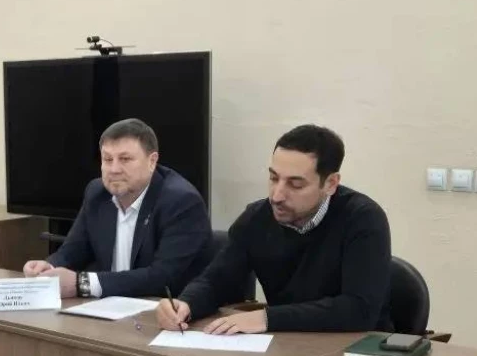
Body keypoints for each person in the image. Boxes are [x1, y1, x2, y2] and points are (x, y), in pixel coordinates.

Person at [156, 124, 392, 335]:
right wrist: (186, 304)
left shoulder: (363, 219)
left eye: (295, 184)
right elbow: (217, 280)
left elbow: (358, 309)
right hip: (284, 348)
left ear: (330, 184)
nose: (277, 196)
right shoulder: (256, 218)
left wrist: (267, 318)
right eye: (273, 178)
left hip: (354, 352)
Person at [23, 118, 213, 299]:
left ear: (152, 161)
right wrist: (48, 267)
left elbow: (162, 278)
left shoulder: (182, 202)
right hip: (110, 308)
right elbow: (74, 250)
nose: (114, 169)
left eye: (125, 159)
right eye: (107, 159)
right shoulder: (97, 193)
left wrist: (83, 284)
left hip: (169, 311)